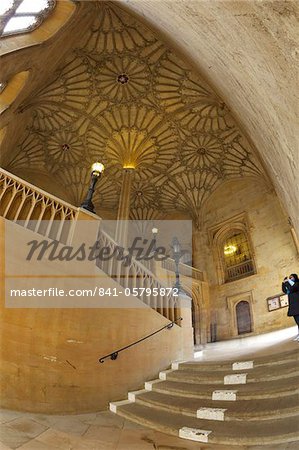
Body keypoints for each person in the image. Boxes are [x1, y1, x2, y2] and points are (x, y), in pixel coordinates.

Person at [282, 274, 299, 341]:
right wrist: (283, 283)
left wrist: (287, 282)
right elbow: (285, 291)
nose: (290, 278)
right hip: (293, 307)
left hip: (297, 306)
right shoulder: (290, 286)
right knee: (297, 322)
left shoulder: (297, 284)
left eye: (291, 277)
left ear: (295, 277)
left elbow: (292, 289)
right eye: (289, 278)